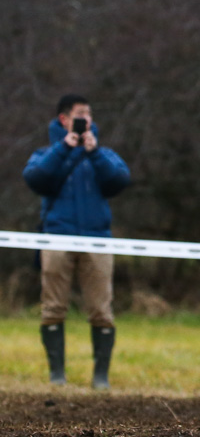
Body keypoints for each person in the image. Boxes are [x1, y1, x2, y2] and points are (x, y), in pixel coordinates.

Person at [23, 94, 131, 389]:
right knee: (53, 306)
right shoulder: (47, 152)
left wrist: (93, 153)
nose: (88, 120)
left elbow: (120, 181)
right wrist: (64, 148)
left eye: (90, 114)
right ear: (64, 119)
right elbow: (36, 179)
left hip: (98, 240)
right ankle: (57, 375)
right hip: (57, 237)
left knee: (101, 308)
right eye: (81, 114)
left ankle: (101, 378)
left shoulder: (102, 153)